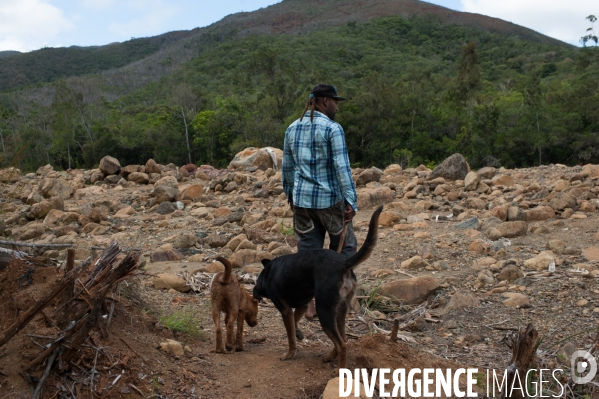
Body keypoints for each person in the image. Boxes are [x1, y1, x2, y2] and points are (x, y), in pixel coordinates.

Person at [282, 84, 359, 317]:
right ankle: (341, 297)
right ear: (325, 101)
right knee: (345, 250)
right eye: (335, 101)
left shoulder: (292, 128)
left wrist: (291, 197)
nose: (337, 106)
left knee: (307, 254)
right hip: (330, 202)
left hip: (303, 202)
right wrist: (351, 202)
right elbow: (342, 168)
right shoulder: (333, 129)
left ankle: (308, 305)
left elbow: (287, 168)